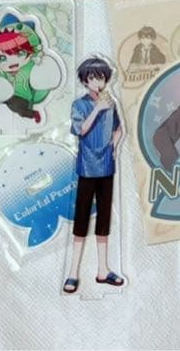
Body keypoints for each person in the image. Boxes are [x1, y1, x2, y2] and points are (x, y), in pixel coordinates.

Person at [64, 57, 125, 294]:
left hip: (107, 167)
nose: (97, 82)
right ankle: (72, 272)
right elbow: (80, 130)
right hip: (87, 168)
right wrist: (98, 109)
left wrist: (114, 147)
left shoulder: (111, 103)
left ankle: (103, 269)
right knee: (81, 219)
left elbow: (118, 128)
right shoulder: (79, 105)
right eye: (92, 78)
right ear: (84, 80)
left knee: (104, 220)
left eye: (101, 78)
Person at [0, 13, 62, 124]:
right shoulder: (2, 72)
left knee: (15, 105)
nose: (12, 61)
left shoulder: (31, 65)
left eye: (20, 53)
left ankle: (32, 113)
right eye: (2, 58)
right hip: (12, 94)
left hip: (27, 96)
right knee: (6, 97)